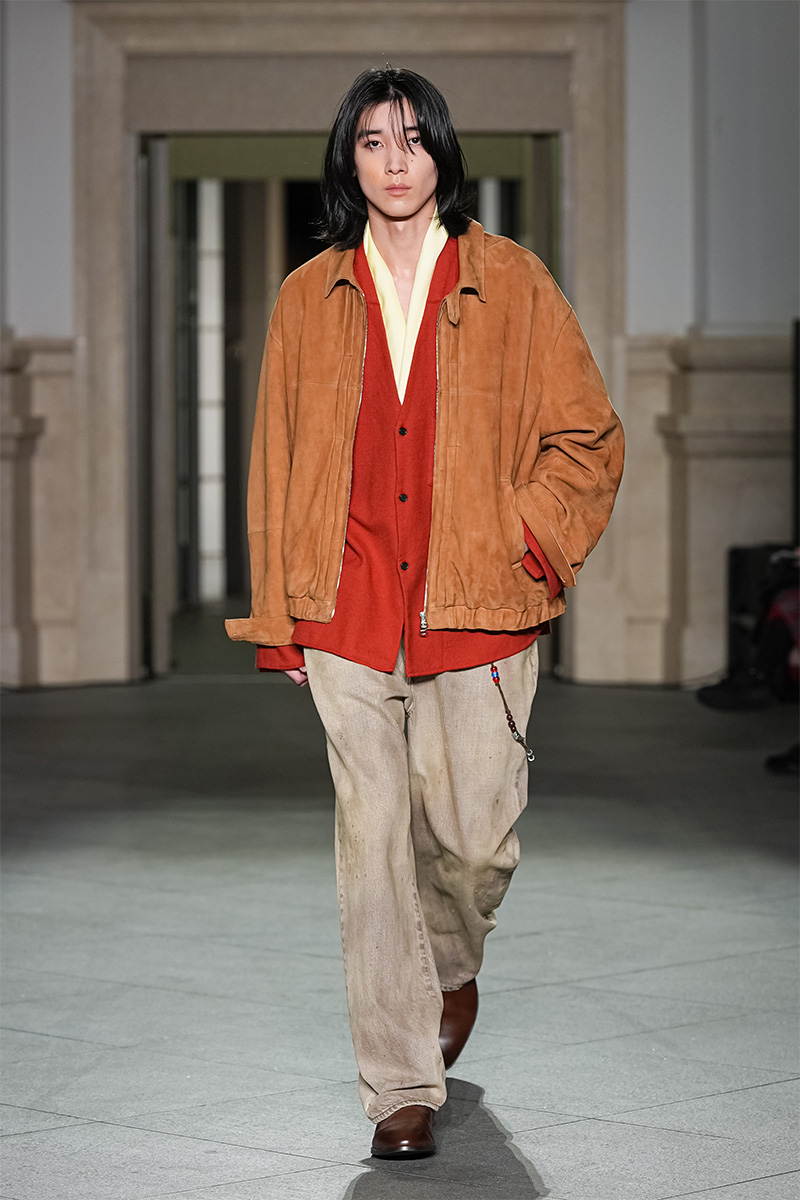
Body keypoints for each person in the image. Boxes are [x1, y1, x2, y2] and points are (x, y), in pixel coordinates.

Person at [226, 66, 624, 1159]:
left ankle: (448, 964)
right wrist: (280, 618)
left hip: (478, 605)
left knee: (472, 843)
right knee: (371, 842)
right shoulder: (308, 296)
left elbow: (588, 438)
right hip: (348, 607)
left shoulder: (513, 282)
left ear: (443, 152)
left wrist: (525, 539)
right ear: (347, 161)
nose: (394, 161)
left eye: (412, 138)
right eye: (371, 141)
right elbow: (275, 464)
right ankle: (400, 1085)